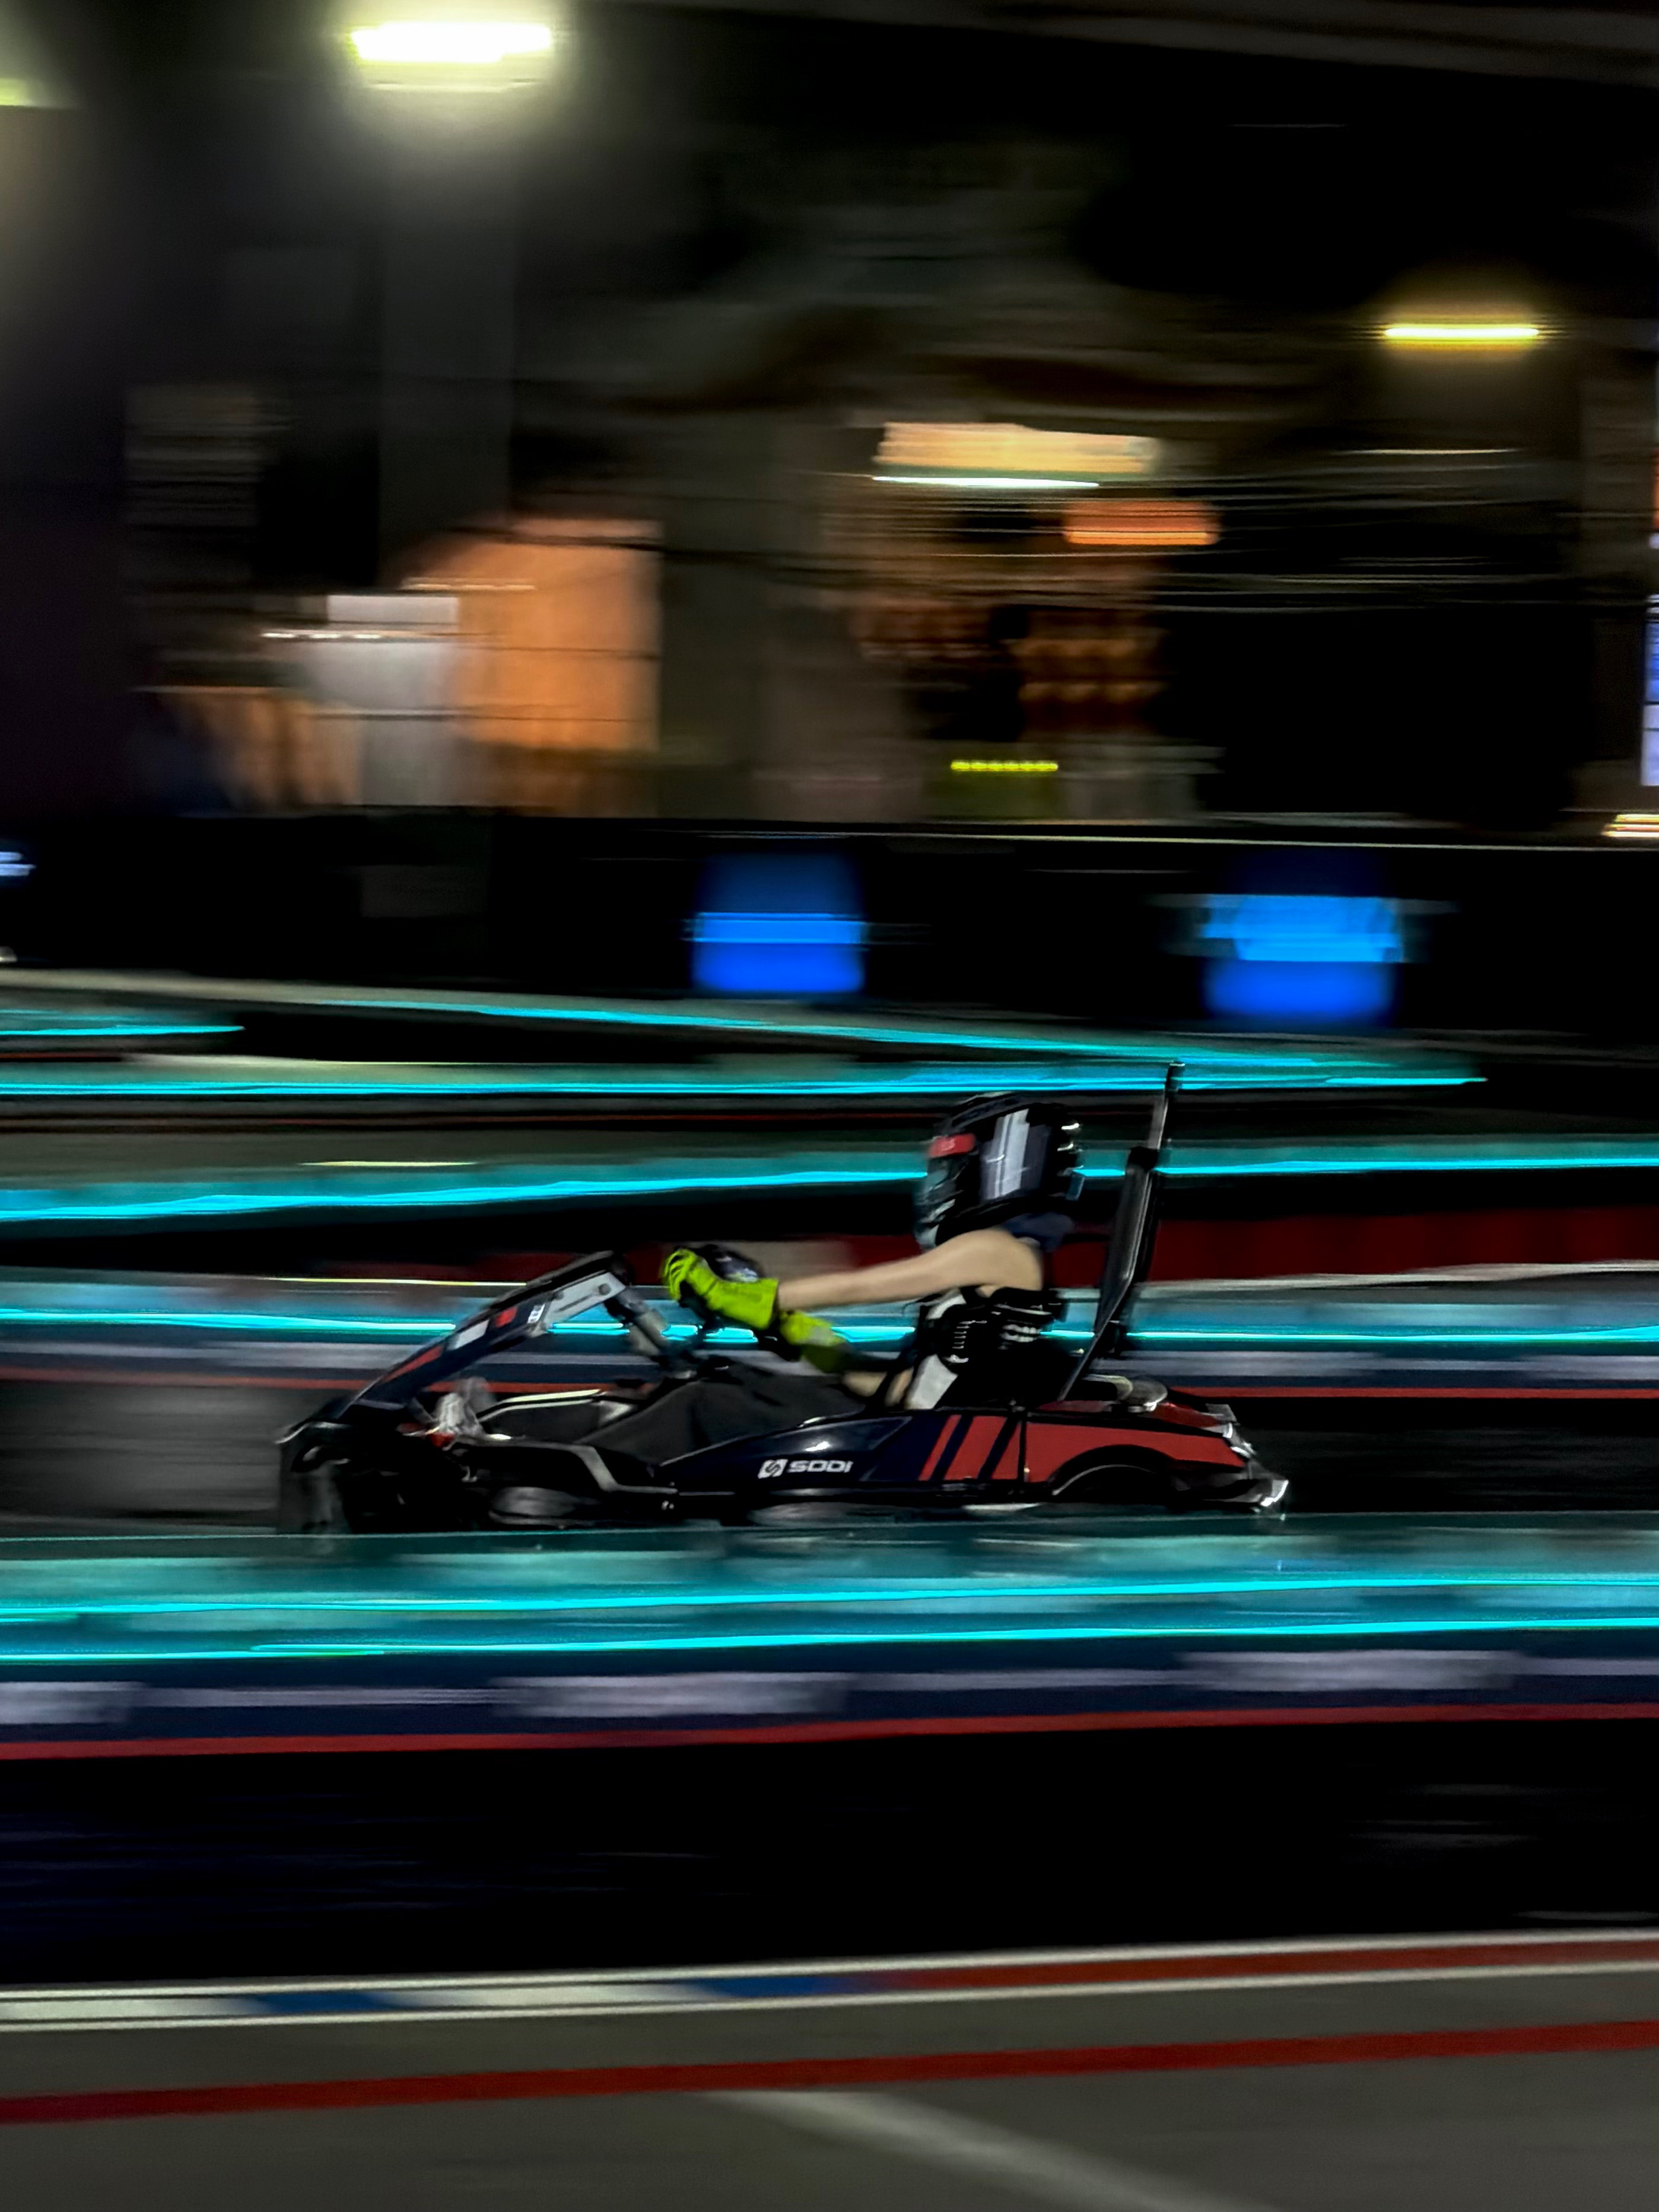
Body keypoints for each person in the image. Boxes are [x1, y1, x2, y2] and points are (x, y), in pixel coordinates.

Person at [580, 1095, 1084, 1468]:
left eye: (952, 1171)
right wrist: (811, 1341)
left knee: (708, 1400)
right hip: (908, 1424)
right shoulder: (996, 1265)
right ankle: (598, 1457)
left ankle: (585, 1473)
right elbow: (906, 1389)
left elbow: (861, 1288)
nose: (941, 1185)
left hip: (914, 1439)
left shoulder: (998, 1248)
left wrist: (754, 1296)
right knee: (729, 1381)